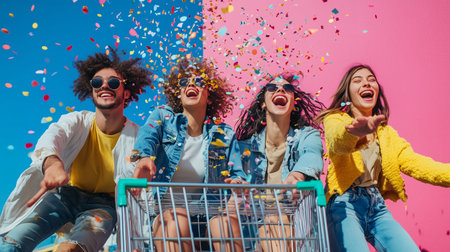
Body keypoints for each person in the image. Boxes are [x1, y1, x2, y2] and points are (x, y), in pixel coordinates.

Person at [0, 48, 153, 252]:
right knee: (10, 245)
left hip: (102, 207)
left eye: (114, 82)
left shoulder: (138, 137)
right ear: (91, 90)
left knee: (71, 250)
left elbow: (144, 186)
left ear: (126, 93)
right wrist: (53, 164)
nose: (104, 86)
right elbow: (53, 136)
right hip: (63, 196)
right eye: (97, 82)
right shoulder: (78, 121)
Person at [315, 65, 450, 252]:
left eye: (371, 79)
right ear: (348, 95)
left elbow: (419, 164)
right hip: (343, 205)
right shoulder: (335, 120)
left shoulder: (387, 134)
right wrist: (355, 133)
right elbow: (337, 141)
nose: (366, 83)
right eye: (358, 80)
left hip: (376, 206)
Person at [131, 57, 247, 252]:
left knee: (224, 225)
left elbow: (237, 175)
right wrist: (143, 157)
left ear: (209, 95)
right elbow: (147, 137)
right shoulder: (163, 118)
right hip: (166, 215)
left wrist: (238, 187)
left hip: (209, 215)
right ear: (179, 93)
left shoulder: (224, 133)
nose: (191, 84)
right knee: (177, 218)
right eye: (184, 82)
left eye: (199, 82)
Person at [235, 73, 325, 251]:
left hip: (294, 225)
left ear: (293, 104)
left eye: (288, 88)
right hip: (253, 229)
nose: (280, 89)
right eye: (271, 88)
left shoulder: (307, 136)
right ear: (263, 103)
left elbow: (312, 154)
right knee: (271, 222)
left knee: (276, 219)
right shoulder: (244, 147)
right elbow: (235, 177)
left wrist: (297, 174)